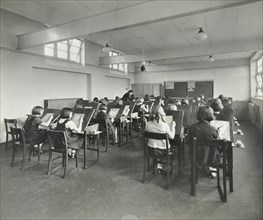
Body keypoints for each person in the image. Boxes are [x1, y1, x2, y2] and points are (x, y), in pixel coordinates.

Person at [187, 105, 218, 178]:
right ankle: (210, 167)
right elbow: (216, 143)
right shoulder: (213, 129)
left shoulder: (192, 127)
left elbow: (188, 140)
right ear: (210, 115)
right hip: (211, 157)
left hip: (195, 156)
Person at [145, 105, 176, 173]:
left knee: (157, 144)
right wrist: (173, 127)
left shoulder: (148, 124)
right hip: (163, 152)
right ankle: (164, 168)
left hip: (151, 150)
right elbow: (172, 137)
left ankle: (159, 166)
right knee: (165, 146)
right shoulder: (164, 125)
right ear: (162, 114)